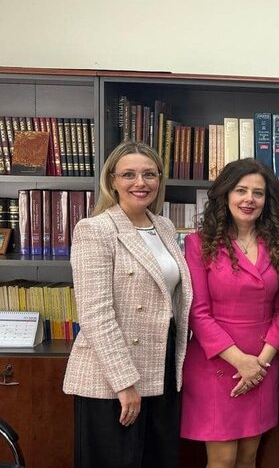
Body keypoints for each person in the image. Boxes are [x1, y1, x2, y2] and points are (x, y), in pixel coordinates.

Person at [62, 141, 192, 468]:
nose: (140, 183)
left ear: (159, 179)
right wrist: (124, 383)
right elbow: (96, 316)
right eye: (129, 174)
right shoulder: (95, 230)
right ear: (112, 180)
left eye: (149, 174)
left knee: (157, 459)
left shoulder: (163, 226)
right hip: (112, 376)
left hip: (161, 364)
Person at [180, 158, 279, 468]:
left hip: (262, 362)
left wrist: (260, 364)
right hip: (216, 362)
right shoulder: (198, 244)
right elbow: (198, 313)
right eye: (241, 190)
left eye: (258, 193)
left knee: (248, 457)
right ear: (226, 194)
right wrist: (241, 362)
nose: (249, 199)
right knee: (222, 460)